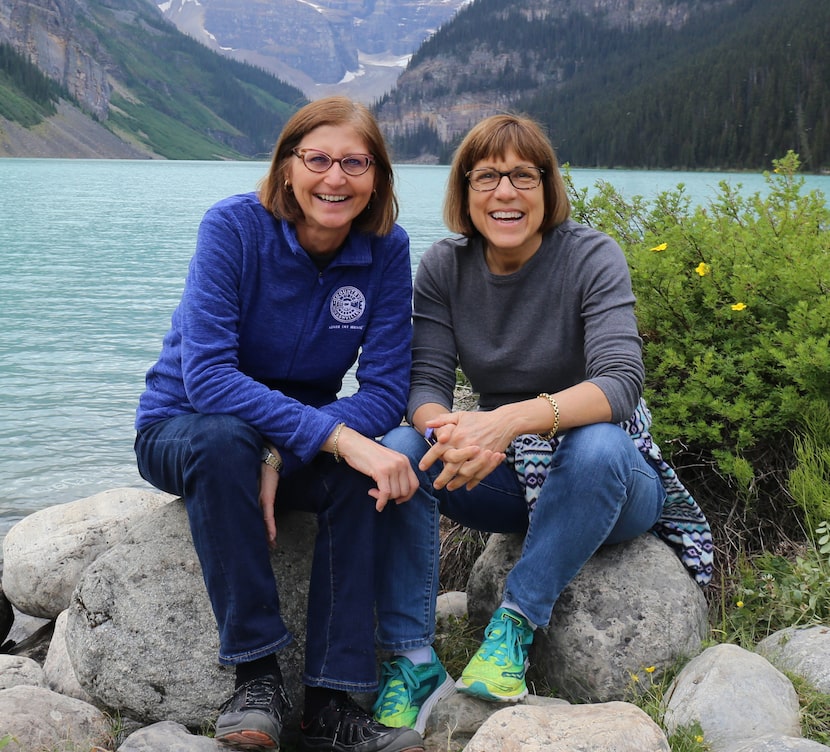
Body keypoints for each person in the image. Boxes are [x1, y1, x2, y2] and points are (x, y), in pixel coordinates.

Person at [371, 113, 713, 729]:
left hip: (609, 482)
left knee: (598, 444)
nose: (506, 192)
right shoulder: (445, 267)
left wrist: (504, 424)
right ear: (464, 190)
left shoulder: (590, 256)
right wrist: (447, 433)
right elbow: (423, 386)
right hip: (502, 474)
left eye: (523, 176)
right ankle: (413, 658)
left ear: (549, 186)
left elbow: (619, 384)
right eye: (488, 177)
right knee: (399, 447)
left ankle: (514, 628)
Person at [134, 96, 425, 752]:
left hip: (284, 441)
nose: (335, 178)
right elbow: (207, 379)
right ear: (287, 167)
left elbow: (383, 389)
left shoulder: (386, 250)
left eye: (355, 162)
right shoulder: (233, 228)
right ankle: (256, 676)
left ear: (377, 176)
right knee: (226, 440)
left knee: (356, 479)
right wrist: (331, 437)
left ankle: (331, 702)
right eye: (317, 159)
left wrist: (284, 453)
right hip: (186, 429)